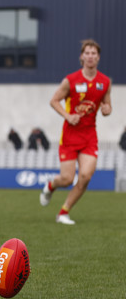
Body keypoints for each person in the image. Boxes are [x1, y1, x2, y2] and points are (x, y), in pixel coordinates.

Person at [39, 39, 112, 224]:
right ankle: (50, 185)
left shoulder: (104, 82)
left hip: (89, 136)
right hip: (70, 136)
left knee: (86, 176)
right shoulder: (70, 80)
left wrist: (107, 110)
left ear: (98, 57)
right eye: (87, 53)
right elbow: (54, 101)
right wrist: (67, 116)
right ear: (81, 56)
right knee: (66, 179)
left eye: (94, 53)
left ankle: (63, 212)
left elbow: (108, 104)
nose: (90, 56)